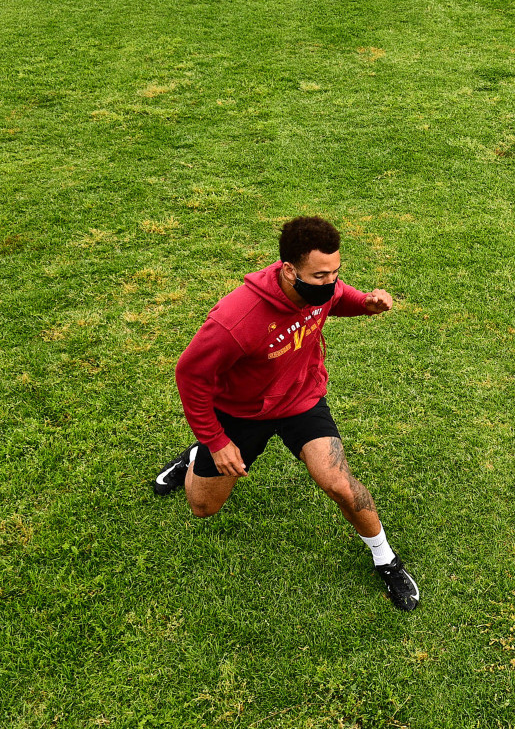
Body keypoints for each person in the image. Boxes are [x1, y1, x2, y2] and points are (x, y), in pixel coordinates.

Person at [152, 216, 419, 610]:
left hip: (300, 398)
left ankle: (386, 559)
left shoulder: (321, 286)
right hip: (241, 413)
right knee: (203, 507)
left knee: (339, 484)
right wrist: (216, 441)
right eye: (320, 275)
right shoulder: (234, 321)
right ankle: (195, 456)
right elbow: (189, 377)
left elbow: (339, 296)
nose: (329, 283)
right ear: (289, 270)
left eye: (335, 272)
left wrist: (366, 304)